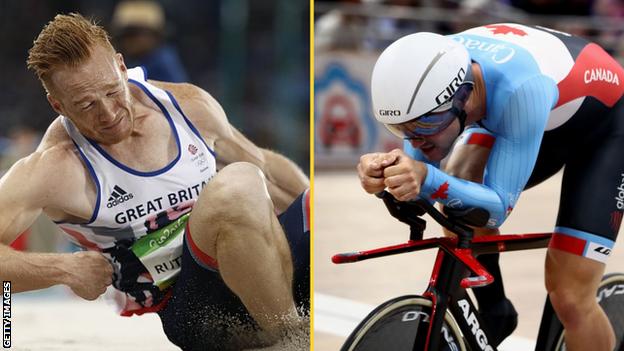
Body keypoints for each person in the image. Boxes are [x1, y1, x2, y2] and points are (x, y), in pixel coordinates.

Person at [0, 13, 309, 350]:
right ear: (57, 106)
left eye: (111, 91)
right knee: (236, 187)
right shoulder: (53, 167)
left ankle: (299, 323)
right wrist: (63, 268)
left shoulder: (188, 105)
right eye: (86, 104)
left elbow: (264, 164)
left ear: (121, 66)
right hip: (198, 310)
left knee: (305, 201)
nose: (108, 113)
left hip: (264, 266)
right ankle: (293, 337)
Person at [358, 23, 623, 350]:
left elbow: (496, 210)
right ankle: (495, 308)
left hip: (604, 130)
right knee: (458, 182)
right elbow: (424, 171)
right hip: (530, 115)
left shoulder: (518, 88)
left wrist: (425, 178)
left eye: (426, 124)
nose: (416, 139)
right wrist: (389, 176)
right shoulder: (434, 69)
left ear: (463, 97)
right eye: (401, 128)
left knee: (569, 295)